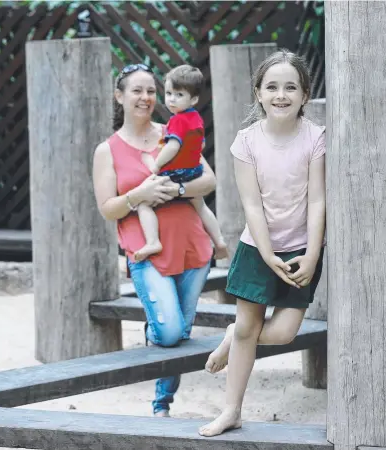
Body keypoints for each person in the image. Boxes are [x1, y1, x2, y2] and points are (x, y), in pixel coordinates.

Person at [198, 50, 326, 437]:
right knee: (247, 327)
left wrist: (313, 253)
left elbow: (318, 200)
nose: (281, 95)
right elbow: (251, 203)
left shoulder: (316, 138)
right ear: (258, 93)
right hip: (257, 249)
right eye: (272, 87)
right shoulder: (246, 141)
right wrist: (267, 252)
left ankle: (232, 336)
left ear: (305, 95)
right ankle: (231, 410)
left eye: (291, 87)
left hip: (303, 249)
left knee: (284, 332)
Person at [92, 63, 216, 418]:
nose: (146, 97)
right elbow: (108, 209)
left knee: (181, 332)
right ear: (120, 96)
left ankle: (161, 404)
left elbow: (209, 181)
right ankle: (154, 329)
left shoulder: (174, 130)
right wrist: (139, 194)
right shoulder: (108, 150)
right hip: (146, 249)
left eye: (150, 90)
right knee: (169, 329)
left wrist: (175, 188)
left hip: (193, 245)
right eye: (137, 90)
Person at [136, 64, 228, 262]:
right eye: (169, 93)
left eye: (178, 95)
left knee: (144, 204)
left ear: (193, 99)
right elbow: (200, 143)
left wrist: (157, 165)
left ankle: (153, 241)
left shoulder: (177, 120)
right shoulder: (196, 118)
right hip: (193, 170)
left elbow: (172, 147)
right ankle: (219, 241)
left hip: (175, 173)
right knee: (201, 206)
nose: (171, 99)